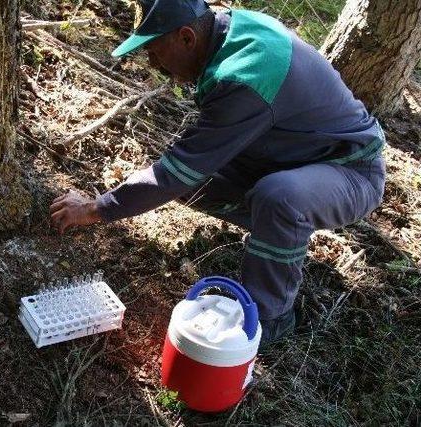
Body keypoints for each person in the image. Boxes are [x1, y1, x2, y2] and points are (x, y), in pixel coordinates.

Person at [49, 0, 385, 347]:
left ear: (186, 37)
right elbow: (184, 169)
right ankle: (276, 231)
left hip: (350, 170)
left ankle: (271, 317)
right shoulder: (224, 29)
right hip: (292, 156)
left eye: (153, 50)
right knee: (195, 180)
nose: (151, 63)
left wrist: (95, 208)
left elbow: (174, 172)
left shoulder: (245, 76)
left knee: (277, 197)